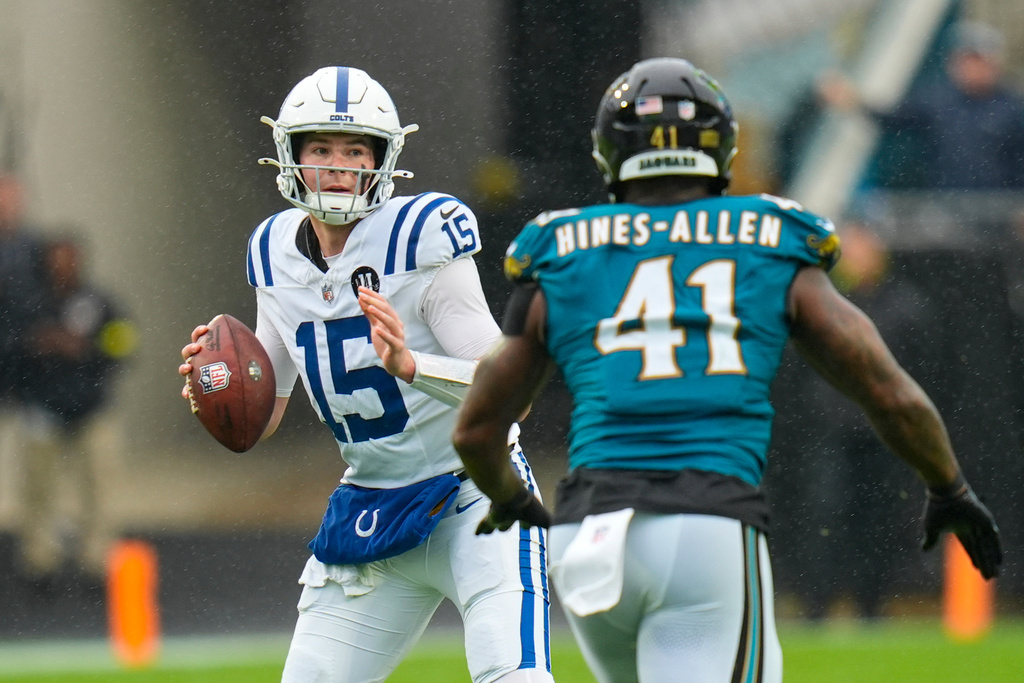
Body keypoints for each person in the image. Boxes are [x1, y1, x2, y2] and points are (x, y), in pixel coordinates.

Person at [452, 58, 1003, 683]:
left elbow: (477, 428)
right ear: (721, 148)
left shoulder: (562, 248)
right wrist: (949, 487)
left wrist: (510, 497)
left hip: (587, 539)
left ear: (609, 150)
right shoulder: (766, 235)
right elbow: (887, 391)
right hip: (703, 524)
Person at [178, 66, 554, 683]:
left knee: (513, 676)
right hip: (373, 508)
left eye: (355, 151)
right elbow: (265, 409)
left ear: (382, 160)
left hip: (474, 494)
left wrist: (413, 366)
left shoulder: (419, 235)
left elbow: (514, 396)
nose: (338, 166)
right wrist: (216, 387)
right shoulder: (271, 250)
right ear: (292, 158)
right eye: (321, 149)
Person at [17, 236, 136, 589]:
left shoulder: (99, 302)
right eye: (56, 260)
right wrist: (39, 346)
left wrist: (88, 349)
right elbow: (11, 349)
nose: (63, 267)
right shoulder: (30, 305)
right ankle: (40, 561)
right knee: (39, 488)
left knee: (99, 485)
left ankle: (96, 561)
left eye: (69, 259)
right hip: (42, 409)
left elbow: (124, 343)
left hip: (92, 408)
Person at [817, 20, 1024, 190]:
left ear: (994, 64)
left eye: (978, 61)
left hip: (1000, 212)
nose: (971, 67)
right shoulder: (938, 100)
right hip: (946, 209)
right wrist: (852, 100)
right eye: (965, 60)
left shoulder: (1013, 107)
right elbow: (892, 118)